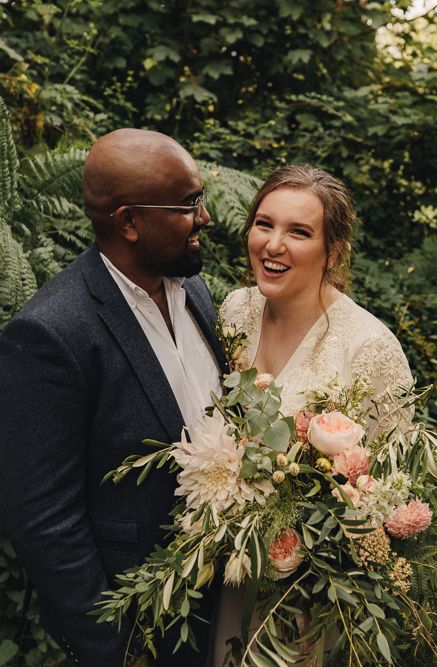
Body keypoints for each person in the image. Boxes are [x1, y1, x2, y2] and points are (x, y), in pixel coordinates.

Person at [0, 129, 226, 666]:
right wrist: (116, 650)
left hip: (226, 608)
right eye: (188, 204)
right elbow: (42, 519)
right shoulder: (50, 334)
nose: (205, 217)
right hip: (142, 630)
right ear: (129, 221)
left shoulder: (193, 289)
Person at [213, 164, 413, 664]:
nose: (273, 244)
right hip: (222, 572)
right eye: (265, 223)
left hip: (309, 598)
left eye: (299, 232)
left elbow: (392, 492)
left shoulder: (369, 349)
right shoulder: (234, 312)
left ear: (334, 250)